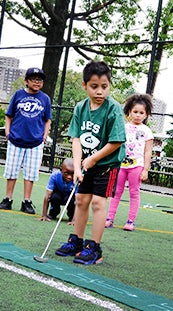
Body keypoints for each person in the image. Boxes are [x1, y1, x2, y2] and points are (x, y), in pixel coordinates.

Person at [55, 60, 126, 265]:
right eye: (94, 86)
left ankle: (94, 247)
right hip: (87, 164)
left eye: (104, 86)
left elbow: (116, 141)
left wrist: (93, 159)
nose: (100, 91)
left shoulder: (113, 109)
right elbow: (76, 139)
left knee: (97, 202)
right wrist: (77, 167)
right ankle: (76, 241)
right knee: (81, 200)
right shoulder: (81, 107)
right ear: (85, 85)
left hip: (107, 165)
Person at [0, 67, 52, 214]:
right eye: (33, 79)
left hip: (35, 142)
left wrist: (44, 136)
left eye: (39, 79)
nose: (37, 82)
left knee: (31, 173)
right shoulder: (18, 95)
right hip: (16, 139)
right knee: (11, 171)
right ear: (26, 81)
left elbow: (47, 120)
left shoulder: (45, 99)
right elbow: (9, 115)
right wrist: (8, 132)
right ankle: (7, 198)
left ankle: (26, 201)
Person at [105, 93, 154, 231]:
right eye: (135, 112)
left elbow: (148, 151)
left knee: (134, 192)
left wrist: (145, 169)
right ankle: (109, 218)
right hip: (121, 165)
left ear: (146, 114)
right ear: (129, 112)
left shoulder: (147, 131)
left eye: (141, 112)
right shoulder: (123, 127)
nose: (138, 115)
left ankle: (131, 221)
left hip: (137, 166)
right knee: (116, 191)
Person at [38, 158, 76, 223]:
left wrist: (74, 220)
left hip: (70, 198)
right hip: (58, 195)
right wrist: (44, 215)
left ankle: (72, 217)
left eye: (72, 174)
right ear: (61, 170)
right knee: (55, 197)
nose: (70, 177)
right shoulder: (54, 176)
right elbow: (47, 196)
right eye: (66, 173)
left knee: (71, 200)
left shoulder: (77, 179)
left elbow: (78, 200)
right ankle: (53, 213)